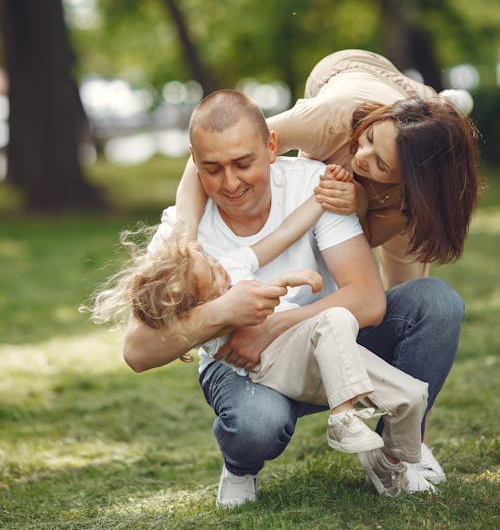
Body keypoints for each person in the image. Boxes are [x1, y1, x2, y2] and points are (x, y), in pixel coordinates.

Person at [121, 89, 464, 506]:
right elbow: (137, 351)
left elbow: (369, 301)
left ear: (270, 146)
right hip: (247, 368)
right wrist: (222, 312)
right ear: (194, 162)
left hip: (336, 352)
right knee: (257, 425)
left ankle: (392, 457)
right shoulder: (180, 232)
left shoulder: (314, 186)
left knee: (436, 303)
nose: (230, 184)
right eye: (212, 169)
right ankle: (241, 466)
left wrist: (270, 327)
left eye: (243, 164)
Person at [90, 165, 428, 485]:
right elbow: (150, 348)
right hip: (274, 368)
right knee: (334, 318)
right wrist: (225, 310)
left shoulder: (230, 266)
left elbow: (283, 234)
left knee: (411, 394)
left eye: (207, 259)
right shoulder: (213, 325)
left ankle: (399, 464)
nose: (216, 265)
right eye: (210, 274)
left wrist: (319, 197)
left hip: (310, 344)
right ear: (198, 303)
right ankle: (342, 418)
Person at [176, 49, 480, 290]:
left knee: (408, 285)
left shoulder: (415, 195)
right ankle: (438, 104)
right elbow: (214, 152)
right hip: (351, 70)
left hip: (407, 133)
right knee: (321, 177)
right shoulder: (329, 119)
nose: (363, 156)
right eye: (370, 140)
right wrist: (184, 238)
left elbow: (368, 238)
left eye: (380, 163)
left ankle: (440, 106)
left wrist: (360, 205)